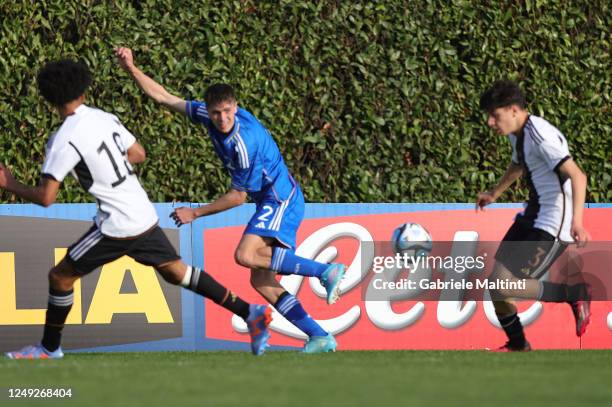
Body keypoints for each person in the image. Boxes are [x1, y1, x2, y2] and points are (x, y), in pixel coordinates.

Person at [1, 59, 272, 359]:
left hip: (117, 224)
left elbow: (46, 197)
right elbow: (138, 154)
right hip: (141, 212)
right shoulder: (103, 117)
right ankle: (250, 312)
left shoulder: (63, 139)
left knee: (60, 277)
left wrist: (9, 183)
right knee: (176, 273)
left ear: (48, 97)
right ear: (83, 89)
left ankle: (48, 348)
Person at [115, 47, 346, 353]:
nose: (222, 119)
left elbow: (238, 197)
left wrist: (195, 214)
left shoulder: (243, 145)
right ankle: (319, 335)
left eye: (227, 111)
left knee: (244, 255)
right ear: (208, 111)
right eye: (216, 113)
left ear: (235, 107)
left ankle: (324, 271)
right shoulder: (207, 116)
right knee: (261, 282)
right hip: (273, 199)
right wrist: (131, 67)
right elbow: (165, 97)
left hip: (280, 200)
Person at [476, 79, 591, 352]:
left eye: (495, 115)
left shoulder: (540, 133)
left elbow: (578, 175)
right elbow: (518, 165)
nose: (491, 123)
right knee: (496, 286)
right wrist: (494, 193)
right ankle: (518, 345)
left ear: (514, 109)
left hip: (553, 220)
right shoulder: (519, 134)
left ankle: (574, 294)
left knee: (506, 285)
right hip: (532, 214)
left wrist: (577, 222)